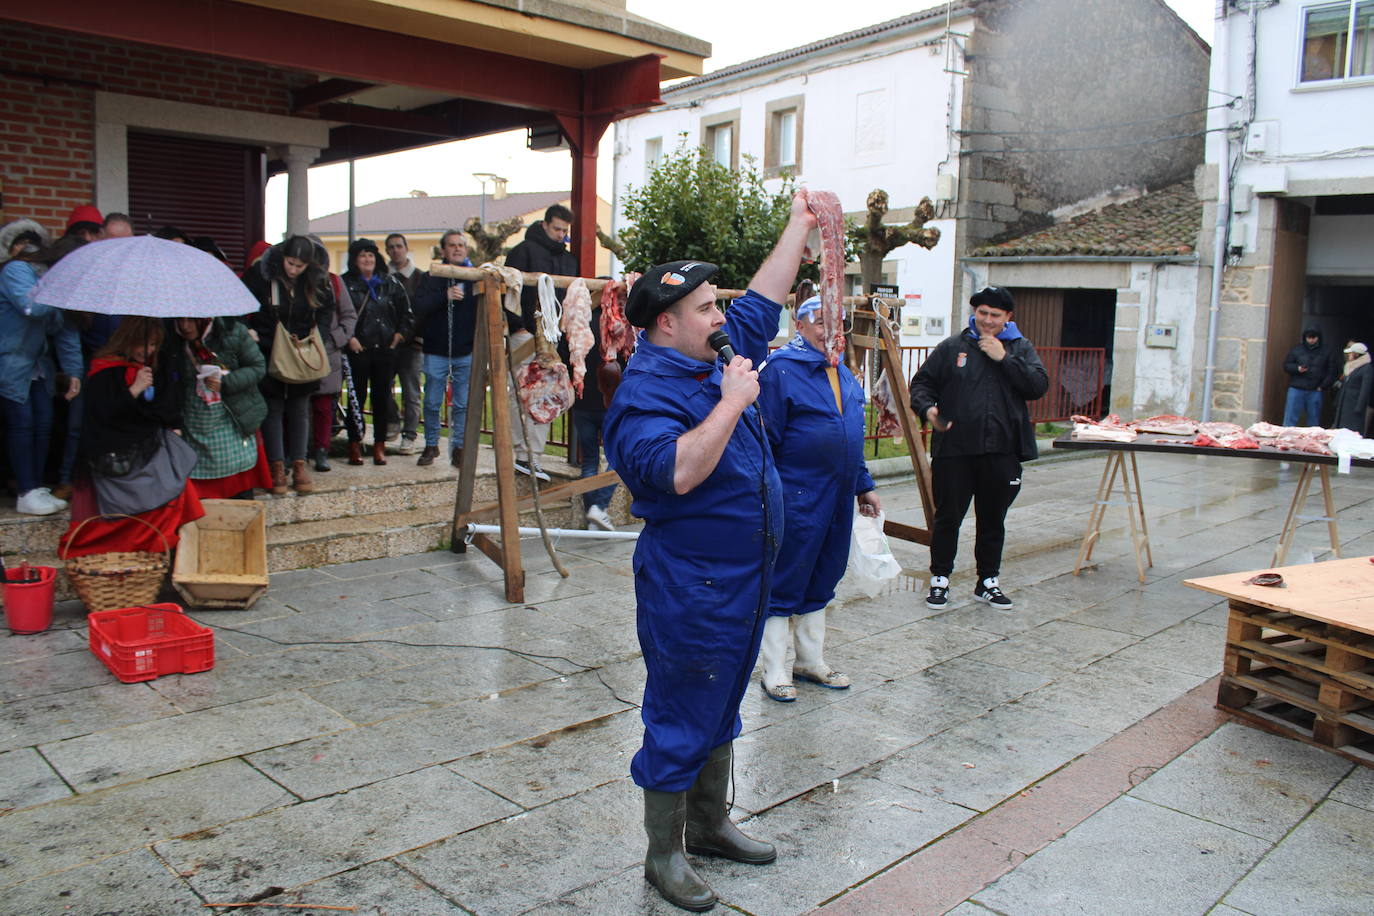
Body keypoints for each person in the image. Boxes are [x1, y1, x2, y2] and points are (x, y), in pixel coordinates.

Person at [603, 194, 815, 912]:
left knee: (722, 700)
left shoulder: (717, 351)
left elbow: (763, 296)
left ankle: (712, 823)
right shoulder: (644, 394)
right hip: (690, 584)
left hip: (748, 576)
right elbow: (675, 472)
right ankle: (664, 854)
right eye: (704, 308)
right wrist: (729, 404)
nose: (720, 318)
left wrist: (802, 224)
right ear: (667, 322)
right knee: (681, 708)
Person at [755, 294, 881, 702]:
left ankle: (809, 660)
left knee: (825, 573)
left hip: (838, 495)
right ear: (800, 323)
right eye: (821, 320)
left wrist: (863, 484)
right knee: (785, 577)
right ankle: (773, 669)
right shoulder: (782, 370)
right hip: (797, 495)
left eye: (837, 321)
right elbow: (764, 440)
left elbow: (852, 435)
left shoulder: (842, 371)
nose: (831, 328)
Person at [911, 286, 1048, 612]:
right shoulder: (952, 348)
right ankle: (940, 579)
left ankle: (988, 581)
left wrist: (1004, 358)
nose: (987, 320)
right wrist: (927, 409)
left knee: (993, 519)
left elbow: (1037, 386)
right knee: (948, 518)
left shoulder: (1020, 347)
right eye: (982, 313)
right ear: (974, 312)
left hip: (1002, 449)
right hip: (955, 448)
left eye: (995, 315)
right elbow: (921, 384)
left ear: (1007, 318)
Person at [60, 316, 204, 559]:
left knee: (177, 482)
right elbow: (104, 414)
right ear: (127, 341)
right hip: (115, 454)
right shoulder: (104, 369)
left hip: (139, 448)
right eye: (143, 345)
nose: (147, 351)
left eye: (152, 346)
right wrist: (135, 390)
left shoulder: (145, 367)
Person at [0, 229, 83, 515]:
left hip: (38, 366)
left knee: (44, 423)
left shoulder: (56, 287)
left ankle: (36, 488)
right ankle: (26, 490)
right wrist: (58, 286)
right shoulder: (17, 270)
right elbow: (31, 308)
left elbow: (66, 332)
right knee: (22, 425)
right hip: (11, 362)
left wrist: (74, 373)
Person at [243, 236, 335, 494]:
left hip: (302, 352)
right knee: (272, 409)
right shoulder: (262, 274)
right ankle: (276, 466)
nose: (293, 269)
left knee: (299, 409)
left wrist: (320, 335)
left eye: (299, 266)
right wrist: (250, 330)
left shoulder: (317, 279)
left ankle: (299, 463)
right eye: (290, 263)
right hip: (269, 347)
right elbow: (240, 302)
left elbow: (328, 308)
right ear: (282, 257)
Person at [504, 204, 577, 480]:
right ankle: (520, 453)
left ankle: (533, 456)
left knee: (546, 394)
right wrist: (517, 327)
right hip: (524, 332)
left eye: (564, 231)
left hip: (552, 335)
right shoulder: (523, 251)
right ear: (545, 225)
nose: (560, 234)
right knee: (519, 391)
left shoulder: (569, 260)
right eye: (557, 228)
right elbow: (508, 289)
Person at [167, 316, 271, 499]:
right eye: (180, 320)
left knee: (237, 479)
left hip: (232, 412)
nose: (185, 326)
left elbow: (258, 367)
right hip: (193, 417)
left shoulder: (233, 332)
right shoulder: (172, 339)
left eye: (191, 320)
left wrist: (227, 381)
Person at [340, 238, 414, 466]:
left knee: (382, 399)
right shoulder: (345, 284)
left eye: (371, 255)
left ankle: (379, 445)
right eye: (362, 255)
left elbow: (407, 313)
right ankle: (355, 444)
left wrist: (398, 336)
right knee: (356, 399)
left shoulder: (389, 283)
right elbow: (338, 314)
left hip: (385, 349)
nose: (367, 259)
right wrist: (349, 338)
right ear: (354, 260)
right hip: (358, 349)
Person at [411, 230, 476, 468]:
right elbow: (418, 306)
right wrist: (444, 296)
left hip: (465, 350)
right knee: (431, 402)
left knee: (461, 404)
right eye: (452, 245)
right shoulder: (431, 277)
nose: (457, 249)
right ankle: (430, 444)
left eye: (461, 245)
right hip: (436, 349)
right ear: (443, 250)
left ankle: (458, 446)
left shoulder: (474, 276)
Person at [560, 296, 621, 529]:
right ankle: (599, 508)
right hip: (609, 405)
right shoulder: (615, 325)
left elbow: (566, 357)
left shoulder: (579, 324)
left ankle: (592, 517)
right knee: (617, 458)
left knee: (589, 461)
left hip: (583, 405)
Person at [305, 235, 357, 473]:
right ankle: (298, 453)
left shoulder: (334, 282)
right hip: (299, 351)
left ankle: (321, 451)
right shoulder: (292, 281)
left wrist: (337, 339)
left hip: (328, 352)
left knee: (325, 407)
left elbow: (348, 315)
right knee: (298, 407)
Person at [384, 233, 426, 456]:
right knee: (382, 389)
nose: (395, 250)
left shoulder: (420, 278)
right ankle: (391, 423)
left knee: (411, 393)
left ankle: (409, 435)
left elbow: (422, 311)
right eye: (391, 247)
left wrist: (417, 338)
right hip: (387, 345)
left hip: (412, 345)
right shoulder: (383, 278)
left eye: (399, 246)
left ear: (406, 248)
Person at [1282, 325, 1337, 427]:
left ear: (1318, 337)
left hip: (1315, 389)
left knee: (1313, 421)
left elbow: (1332, 371)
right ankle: (1286, 440)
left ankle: (1311, 441)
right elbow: (1287, 365)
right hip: (1296, 388)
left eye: (1314, 337)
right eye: (1309, 337)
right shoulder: (1296, 350)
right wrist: (1297, 368)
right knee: (1289, 419)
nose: (1311, 340)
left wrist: (1323, 386)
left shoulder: (1327, 351)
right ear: (1305, 337)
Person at [1332, 341, 1372, 434]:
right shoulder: (1350, 366)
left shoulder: (1366, 368)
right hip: (1344, 402)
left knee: (1351, 429)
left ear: (1357, 354)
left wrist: (1359, 407)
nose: (1349, 355)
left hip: (1354, 403)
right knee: (1341, 428)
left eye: (1351, 353)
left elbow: (1365, 389)